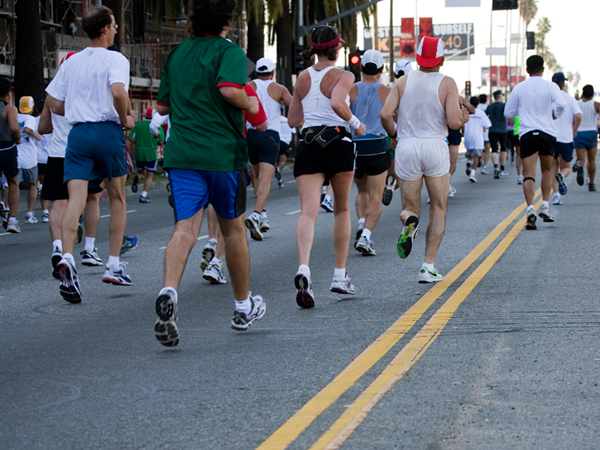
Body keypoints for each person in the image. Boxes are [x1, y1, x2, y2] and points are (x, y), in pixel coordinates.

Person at [153, 0, 265, 346]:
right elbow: (231, 90)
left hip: (183, 153)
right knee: (232, 231)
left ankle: (169, 292)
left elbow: (162, 106)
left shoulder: (177, 54)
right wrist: (251, 103)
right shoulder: (229, 51)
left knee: (185, 229)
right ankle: (243, 307)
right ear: (226, 23)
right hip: (222, 155)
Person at [46, 5, 135, 303]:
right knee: (118, 197)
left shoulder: (71, 62)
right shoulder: (116, 59)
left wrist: (74, 107)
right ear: (106, 28)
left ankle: (68, 257)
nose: (116, 30)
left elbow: (53, 103)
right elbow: (119, 92)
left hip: (78, 134)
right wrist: (124, 119)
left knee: (76, 199)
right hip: (107, 131)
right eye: (114, 25)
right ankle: (112, 264)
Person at [288, 25, 366, 308]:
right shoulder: (345, 75)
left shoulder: (302, 79)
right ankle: (338, 275)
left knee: (308, 212)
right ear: (337, 49)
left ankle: (304, 268)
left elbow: (293, 121)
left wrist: (310, 107)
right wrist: (356, 124)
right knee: (342, 209)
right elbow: (336, 103)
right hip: (337, 141)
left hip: (309, 144)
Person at [381, 36, 468, 283]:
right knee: (439, 208)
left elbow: (385, 113)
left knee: (410, 208)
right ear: (440, 59)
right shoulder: (447, 83)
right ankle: (427, 266)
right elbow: (453, 122)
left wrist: (395, 134)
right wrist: (462, 118)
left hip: (407, 147)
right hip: (435, 147)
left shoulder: (402, 81)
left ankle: (410, 222)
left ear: (418, 57)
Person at [504, 55, 566, 230]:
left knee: (529, 173)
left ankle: (530, 208)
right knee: (547, 170)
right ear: (543, 69)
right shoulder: (551, 86)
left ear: (527, 69)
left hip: (527, 133)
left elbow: (508, 112)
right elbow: (561, 104)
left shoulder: (519, 88)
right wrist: (554, 114)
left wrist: (521, 111)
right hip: (547, 132)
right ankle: (545, 205)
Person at [349, 49, 391, 256]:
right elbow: (395, 117)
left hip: (355, 147)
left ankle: (360, 222)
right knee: (376, 196)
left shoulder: (351, 90)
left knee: (362, 192)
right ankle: (366, 236)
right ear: (382, 69)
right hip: (377, 146)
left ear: (360, 67)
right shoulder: (386, 91)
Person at [244, 57, 292, 240]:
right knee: (266, 178)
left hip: (250, 135)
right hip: (270, 135)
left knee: (256, 175)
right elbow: (294, 104)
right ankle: (256, 214)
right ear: (272, 73)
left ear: (256, 73)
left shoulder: (249, 87)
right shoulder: (279, 88)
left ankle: (263, 215)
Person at [551, 72, 582, 205]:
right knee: (566, 167)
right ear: (563, 84)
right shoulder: (570, 99)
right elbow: (579, 116)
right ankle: (562, 176)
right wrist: (574, 130)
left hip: (551, 138)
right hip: (566, 138)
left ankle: (556, 196)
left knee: (552, 168)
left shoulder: (548, 99)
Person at [128, 108, 165, 203]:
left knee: (141, 172)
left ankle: (138, 177)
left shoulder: (138, 125)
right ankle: (143, 195)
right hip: (150, 151)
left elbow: (130, 136)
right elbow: (161, 142)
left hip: (139, 150)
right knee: (149, 175)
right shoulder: (157, 126)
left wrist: (138, 142)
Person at [0, 77, 21, 233]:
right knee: (13, 182)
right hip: (7, 148)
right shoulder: (9, 108)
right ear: (8, 93)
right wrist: (18, 137)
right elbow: (14, 127)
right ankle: (12, 220)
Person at [17, 96, 42, 224]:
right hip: (29, 157)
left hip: (15, 155)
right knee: (33, 184)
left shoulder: (14, 116)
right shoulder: (30, 119)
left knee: (11, 185)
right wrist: (36, 135)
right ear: (32, 107)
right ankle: (29, 213)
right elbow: (27, 129)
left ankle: (9, 213)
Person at [572, 84, 600, 191]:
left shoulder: (577, 104)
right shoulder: (596, 104)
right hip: (592, 133)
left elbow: (573, 117)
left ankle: (580, 167)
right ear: (592, 93)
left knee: (581, 159)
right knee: (591, 160)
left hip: (579, 133)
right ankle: (591, 183)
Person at [463, 96, 491, 183]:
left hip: (468, 137)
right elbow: (488, 124)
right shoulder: (481, 113)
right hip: (477, 138)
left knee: (470, 153)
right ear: (478, 103)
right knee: (476, 157)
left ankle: (469, 162)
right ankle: (472, 174)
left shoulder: (466, 112)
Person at [486, 89, 508, 179]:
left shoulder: (490, 106)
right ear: (500, 96)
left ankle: (495, 166)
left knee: (494, 149)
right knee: (503, 149)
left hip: (492, 130)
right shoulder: (504, 105)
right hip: (502, 129)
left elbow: (485, 115)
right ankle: (502, 168)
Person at [275, 116, 295, 188]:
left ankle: (280, 180)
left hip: (274, 140)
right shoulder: (287, 120)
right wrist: (293, 143)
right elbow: (294, 132)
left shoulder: (273, 119)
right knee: (282, 161)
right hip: (284, 141)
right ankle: (278, 168)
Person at [478, 93, 491, 173]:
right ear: (486, 100)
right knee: (487, 149)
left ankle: (479, 160)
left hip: (477, 133)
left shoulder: (476, 108)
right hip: (486, 132)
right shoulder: (488, 108)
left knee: (479, 149)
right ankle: (484, 167)